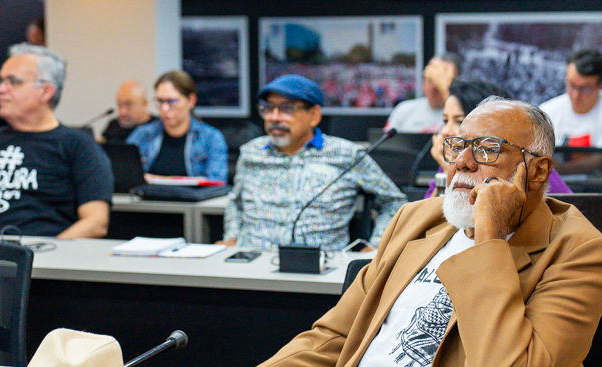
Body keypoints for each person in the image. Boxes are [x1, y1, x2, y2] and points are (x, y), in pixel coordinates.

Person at [232, 96, 602, 367]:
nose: (462, 162)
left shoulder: (581, 253)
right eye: (457, 146)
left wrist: (490, 237)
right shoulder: (416, 219)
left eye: (487, 149)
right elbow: (333, 338)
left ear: (538, 171)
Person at [0, 44, 113, 238]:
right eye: (0, 81)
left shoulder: (78, 146)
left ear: (45, 92)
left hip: (38, 250)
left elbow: (95, 222)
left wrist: (49, 252)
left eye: (13, 81)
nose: (0, 89)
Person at [219, 74, 407, 252]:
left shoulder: (347, 154)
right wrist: (232, 237)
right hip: (251, 259)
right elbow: (236, 203)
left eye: (287, 108)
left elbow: (395, 202)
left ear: (314, 115)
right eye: (268, 108)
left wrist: (377, 246)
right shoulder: (251, 153)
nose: (273, 117)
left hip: (320, 264)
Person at [426, 79, 572, 197]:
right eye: (445, 120)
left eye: (459, 121)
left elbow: (572, 210)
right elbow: (429, 215)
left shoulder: (530, 164)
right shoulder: (455, 159)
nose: (445, 131)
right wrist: (451, 173)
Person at [127, 70, 228, 182]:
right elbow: (124, 176)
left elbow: (217, 181)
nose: (164, 108)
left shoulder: (211, 138)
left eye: (172, 101)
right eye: (159, 101)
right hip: (148, 194)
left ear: (191, 101)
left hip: (194, 194)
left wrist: (160, 180)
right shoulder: (143, 135)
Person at [539, 48, 602, 148]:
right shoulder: (547, 113)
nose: (576, 95)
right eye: (572, 85)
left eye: (585, 89)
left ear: (600, 85)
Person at [384, 54, 460, 133]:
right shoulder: (403, 110)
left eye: (438, 81)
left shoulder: (460, 113)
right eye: (429, 79)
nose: (432, 86)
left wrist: (444, 88)